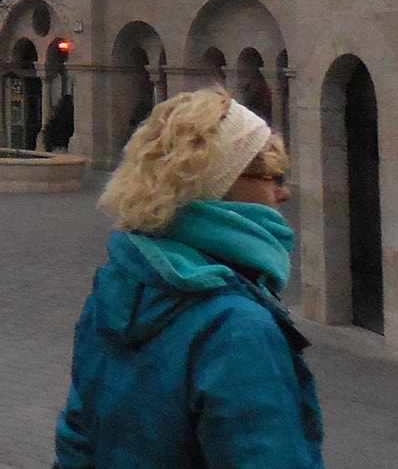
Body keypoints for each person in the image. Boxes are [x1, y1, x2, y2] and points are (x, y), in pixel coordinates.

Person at [54, 88, 322, 469]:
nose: (283, 192)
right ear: (220, 184)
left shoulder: (118, 285)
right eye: (271, 175)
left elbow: (78, 438)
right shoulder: (236, 328)